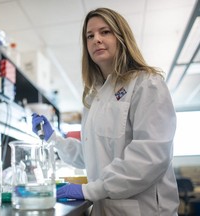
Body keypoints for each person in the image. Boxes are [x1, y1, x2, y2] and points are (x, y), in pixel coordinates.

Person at [32, 7, 179, 216]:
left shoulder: (147, 84)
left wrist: (89, 190)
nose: (96, 39)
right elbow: (92, 155)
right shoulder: (95, 98)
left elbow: (150, 156)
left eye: (105, 32)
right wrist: (54, 139)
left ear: (121, 37)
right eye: (89, 36)